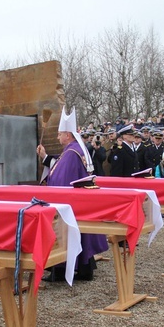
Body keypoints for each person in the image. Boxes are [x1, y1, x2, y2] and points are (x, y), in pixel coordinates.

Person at [37, 107, 108, 280]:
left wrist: (49, 185)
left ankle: (61, 269)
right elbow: (59, 165)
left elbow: (60, 180)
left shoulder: (71, 153)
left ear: (67, 135)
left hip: (71, 203)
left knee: (66, 231)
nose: (57, 137)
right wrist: (45, 157)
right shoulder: (75, 149)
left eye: (60, 134)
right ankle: (84, 268)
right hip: (82, 202)